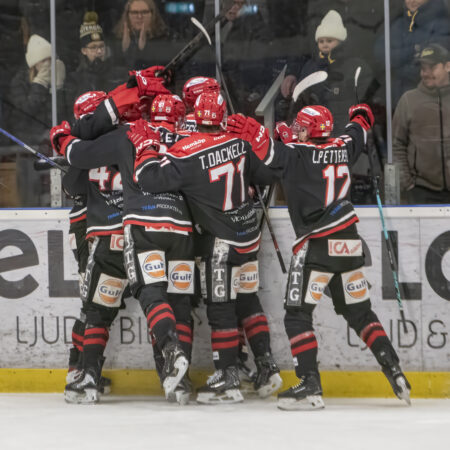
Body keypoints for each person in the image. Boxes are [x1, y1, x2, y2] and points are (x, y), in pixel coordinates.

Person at [226, 104, 411, 410]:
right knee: (360, 313)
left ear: (309, 130)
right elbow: (358, 128)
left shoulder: (296, 154)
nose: (296, 131)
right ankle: (395, 372)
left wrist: (254, 131)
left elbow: (270, 153)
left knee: (297, 314)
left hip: (316, 245)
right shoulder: (342, 147)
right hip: (349, 244)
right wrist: (360, 114)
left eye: (300, 127)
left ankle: (309, 385)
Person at [54, 70, 194, 405]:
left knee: (97, 310)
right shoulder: (153, 134)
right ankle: (177, 380)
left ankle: (86, 375)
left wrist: (67, 150)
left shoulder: (110, 141)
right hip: (160, 231)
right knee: (167, 303)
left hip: (111, 238)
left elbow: (73, 188)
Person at [133, 92, 282, 404]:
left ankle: (227, 377)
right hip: (249, 237)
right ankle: (266, 367)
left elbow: (149, 179)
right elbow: (269, 174)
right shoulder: (240, 143)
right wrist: (262, 139)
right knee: (248, 300)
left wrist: (145, 147)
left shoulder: (186, 151)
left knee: (221, 307)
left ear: (195, 116)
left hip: (220, 241)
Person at [279, 10, 373, 135]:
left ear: (340, 41)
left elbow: (365, 96)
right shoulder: (310, 67)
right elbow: (302, 96)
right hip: (315, 128)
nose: (325, 44)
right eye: (321, 41)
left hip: (345, 126)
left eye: (329, 41)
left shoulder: (354, 66)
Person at [393, 43, 450, 204]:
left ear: (448, 66)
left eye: (432, 67)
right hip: (422, 192)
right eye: (423, 68)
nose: (425, 73)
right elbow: (396, 145)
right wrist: (408, 184)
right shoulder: (409, 100)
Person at [374, 0, 450, 106]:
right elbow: (380, 52)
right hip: (396, 98)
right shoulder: (399, 23)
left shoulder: (442, 22)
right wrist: (414, 50)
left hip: (431, 99)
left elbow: (430, 61)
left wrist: (398, 65)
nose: (412, 1)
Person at [64, 12, 126, 113]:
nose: (99, 51)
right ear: (84, 51)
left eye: (101, 46)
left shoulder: (117, 74)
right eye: (93, 47)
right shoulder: (75, 79)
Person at [113, 0, 171, 70]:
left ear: (152, 14)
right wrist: (124, 50)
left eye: (144, 12)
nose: (139, 16)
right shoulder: (115, 38)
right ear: (127, 15)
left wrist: (145, 49)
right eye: (134, 12)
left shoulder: (167, 38)